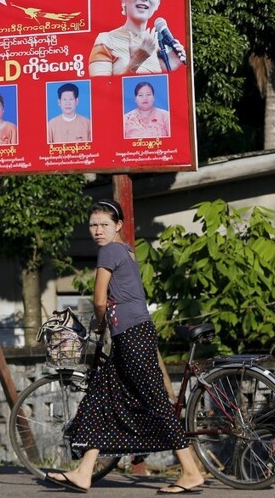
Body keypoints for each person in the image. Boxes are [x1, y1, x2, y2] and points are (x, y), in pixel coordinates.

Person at [45, 199, 204, 494]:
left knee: (155, 401)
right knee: (100, 398)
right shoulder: (125, 251)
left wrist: (100, 324)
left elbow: (99, 299)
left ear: (118, 226)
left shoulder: (109, 250)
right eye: (93, 225)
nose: (97, 230)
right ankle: (83, 471)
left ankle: (191, 471)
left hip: (131, 335)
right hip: (130, 335)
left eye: (104, 224)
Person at [88, 0, 187, 77]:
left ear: (158, 1)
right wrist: (135, 62)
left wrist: (170, 66)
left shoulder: (156, 48)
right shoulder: (106, 40)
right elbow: (99, 91)